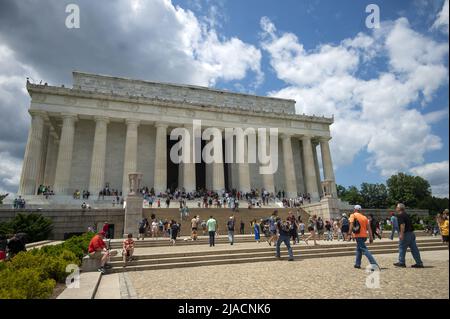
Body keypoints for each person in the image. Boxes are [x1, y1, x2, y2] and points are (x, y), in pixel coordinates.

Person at [348, 205, 379, 270]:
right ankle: (357, 264)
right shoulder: (364, 217)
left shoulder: (353, 215)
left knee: (364, 250)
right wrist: (371, 237)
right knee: (359, 250)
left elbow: (351, 225)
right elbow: (369, 228)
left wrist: (349, 234)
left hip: (358, 235)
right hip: (364, 236)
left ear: (355, 209)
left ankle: (374, 265)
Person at [393, 203, 424, 268]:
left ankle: (401, 262)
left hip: (406, 234)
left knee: (401, 247)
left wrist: (401, 234)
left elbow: (402, 225)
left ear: (399, 208)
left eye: (396, 207)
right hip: (411, 234)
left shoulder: (400, 215)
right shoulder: (406, 215)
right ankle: (419, 263)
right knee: (414, 249)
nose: (396, 208)